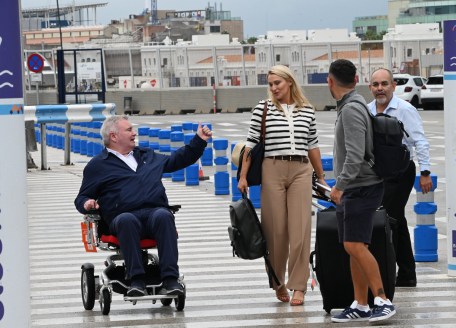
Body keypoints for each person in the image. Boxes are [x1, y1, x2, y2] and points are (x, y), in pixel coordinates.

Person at [75, 115, 212, 297]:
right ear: (114, 136)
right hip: (122, 217)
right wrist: (87, 203)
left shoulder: (147, 155)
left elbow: (177, 160)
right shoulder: (98, 165)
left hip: (153, 212)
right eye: (129, 130)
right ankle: (136, 280)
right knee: (127, 220)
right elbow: (81, 197)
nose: (134, 133)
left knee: (164, 216)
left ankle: (171, 280)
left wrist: (199, 141)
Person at [237, 65, 327, 306]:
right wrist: (243, 177)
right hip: (272, 169)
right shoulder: (262, 109)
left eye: (278, 83)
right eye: (270, 84)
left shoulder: (307, 110)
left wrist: (321, 175)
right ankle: (277, 280)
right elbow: (250, 144)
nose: (274, 88)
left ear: (289, 83)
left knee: (300, 229)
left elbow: (312, 144)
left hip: (301, 169)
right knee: (275, 231)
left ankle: (299, 286)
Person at [327, 59, 396, 323]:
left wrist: (339, 186)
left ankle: (382, 299)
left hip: (361, 187)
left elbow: (355, 155)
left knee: (354, 244)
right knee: (354, 247)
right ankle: (361, 303)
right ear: (356, 80)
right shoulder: (349, 106)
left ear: (330, 81)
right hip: (356, 188)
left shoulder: (351, 110)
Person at [368, 68, 433, 287]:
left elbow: (420, 141)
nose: (380, 89)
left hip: (401, 172)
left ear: (393, 86)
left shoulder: (405, 109)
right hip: (378, 173)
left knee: (390, 220)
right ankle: (406, 273)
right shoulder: (367, 111)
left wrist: (425, 173)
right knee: (396, 220)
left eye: (384, 84)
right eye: (376, 84)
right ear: (370, 88)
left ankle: (387, 272)